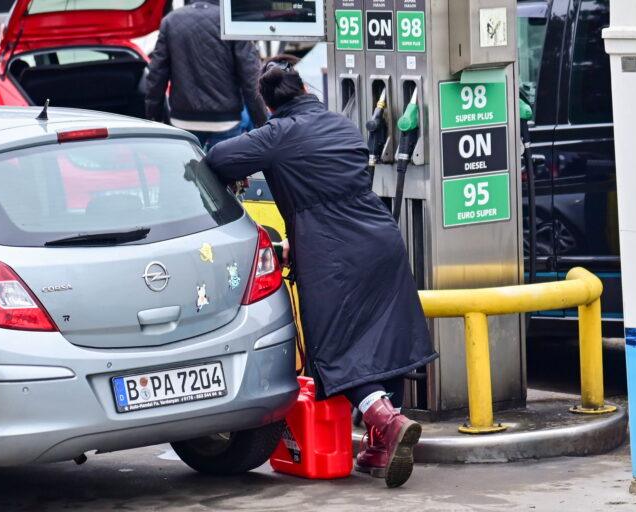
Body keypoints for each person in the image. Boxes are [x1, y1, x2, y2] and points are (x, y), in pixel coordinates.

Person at [204, 55, 438, 488]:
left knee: (335, 348)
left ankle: (385, 422)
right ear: (307, 91)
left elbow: (218, 157)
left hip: (332, 255)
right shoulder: (340, 124)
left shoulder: (278, 133)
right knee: (384, 337)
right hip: (380, 239)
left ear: (271, 106)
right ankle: (382, 444)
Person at [144, 0, 268, 149]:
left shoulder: (170, 21)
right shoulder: (231, 20)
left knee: (186, 171)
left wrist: (154, 117)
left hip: (183, 119)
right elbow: (251, 77)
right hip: (225, 119)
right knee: (226, 170)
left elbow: (156, 74)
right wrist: (261, 121)